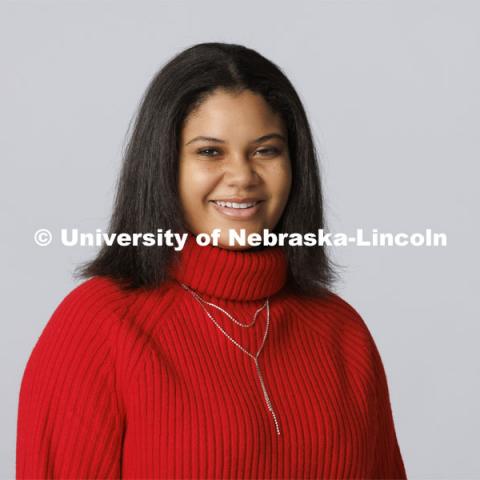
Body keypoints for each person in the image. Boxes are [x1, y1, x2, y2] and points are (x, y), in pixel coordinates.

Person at [16, 42, 407, 479]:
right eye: (209, 152)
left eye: (266, 150)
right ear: (164, 165)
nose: (242, 176)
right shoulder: (98, 327)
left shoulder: (342, 332)